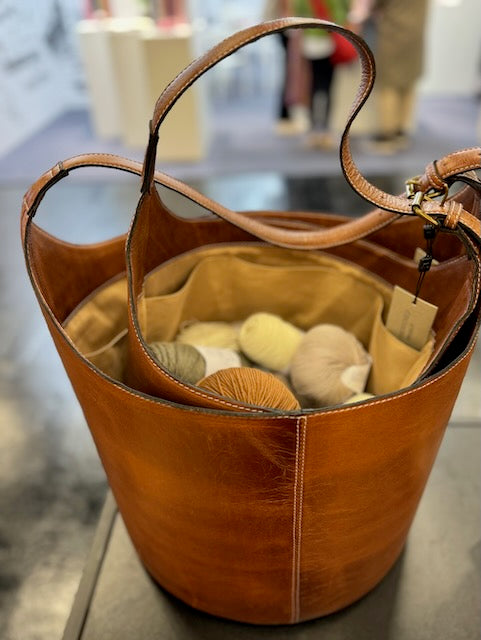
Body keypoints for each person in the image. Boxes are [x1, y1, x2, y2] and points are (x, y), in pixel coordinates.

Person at [349, 0, 429, 153]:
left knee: (388, 85)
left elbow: (375, 4)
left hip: (393, 35)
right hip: (415, 36)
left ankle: (387, 135)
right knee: (407, 83)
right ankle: (401, 130)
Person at [293, 0, 352, 149]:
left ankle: (314, 128)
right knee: (328, 86)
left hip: (311, 41)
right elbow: (344, 11)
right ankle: (325, 128)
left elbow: (297, 12)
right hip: (331, 39)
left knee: (313, 85)